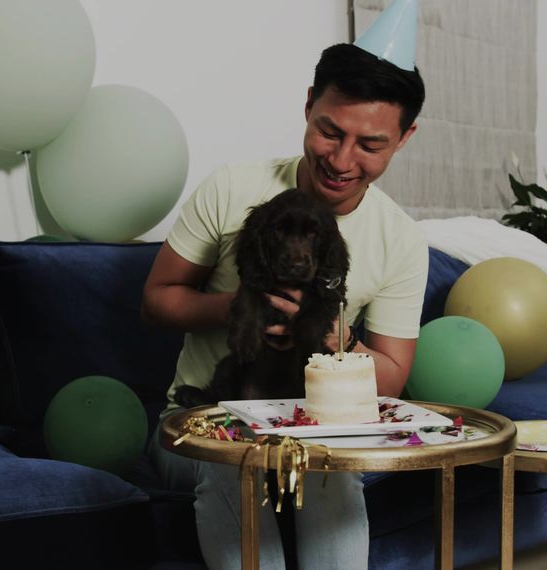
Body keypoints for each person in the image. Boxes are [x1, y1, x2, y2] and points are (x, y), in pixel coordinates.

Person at [141, 40, 428, 570]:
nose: (341, 160)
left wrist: (329, 333)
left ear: (404, 138)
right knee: (237, 459)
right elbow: (157, 301)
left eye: (370, 144)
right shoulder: (231, 188)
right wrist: (242, 308)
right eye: (330, 132)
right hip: (201, 421)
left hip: (314, 423)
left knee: (328, 469)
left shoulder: (402, 240)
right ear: (308, 104)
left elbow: (390, 377)